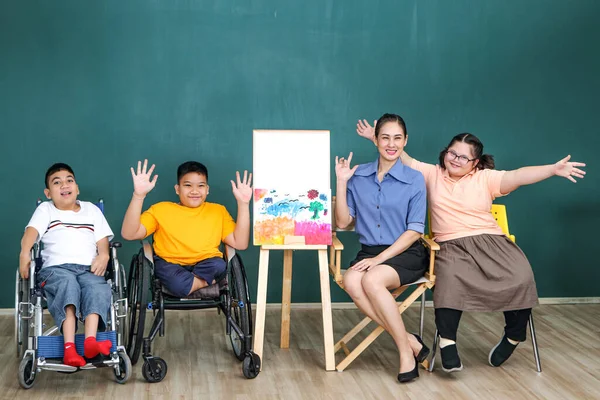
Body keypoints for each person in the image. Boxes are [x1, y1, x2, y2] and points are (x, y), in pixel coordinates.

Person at [357, 119, 586, 372]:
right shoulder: (432, 174)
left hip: (491, 240)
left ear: (475, 163)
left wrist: (552, 169)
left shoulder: (486, 178)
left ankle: (514, 335)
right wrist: (374, 138)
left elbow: (519, 175)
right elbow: (402, 157)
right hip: (450, 244)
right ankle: (447, 342)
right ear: (445, 153)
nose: (455, 159)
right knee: (450, 278)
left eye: (463, 158)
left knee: (522, 276)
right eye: (452, 153)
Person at [336, 113, 430, 383]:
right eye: (385, 137)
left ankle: (404, 353)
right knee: (352, 281)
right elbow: (343, 221)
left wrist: (380, 260)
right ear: (375, 140)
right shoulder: (358, 176)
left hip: (405, 252)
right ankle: (411, 340)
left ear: (405, 141)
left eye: (397, 138)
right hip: (369, 251)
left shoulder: (414, 180)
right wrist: (342, 182)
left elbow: (414, 231)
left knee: (373, 279)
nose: (391, 144)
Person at [19, 163, 115, 367]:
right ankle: (69, 348)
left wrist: (104, 255)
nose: (64, 185)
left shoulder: (91, 210)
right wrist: (24, 254)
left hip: (88, 268)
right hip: (56, 269)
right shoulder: (46, 210)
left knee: (97, 288)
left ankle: (90, 342)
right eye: (57, 182)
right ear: (48, 193)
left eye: (69, 180)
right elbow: (31, 234)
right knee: (68, 286)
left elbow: (102, 240)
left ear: (77, 188)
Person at [121, 160, 252, 299]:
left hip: (207, 263)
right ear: (177, 189)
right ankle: (205, 283)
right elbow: (129, 234)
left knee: (219, 265)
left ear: (207, 189)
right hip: (169, 265)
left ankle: (189, 284)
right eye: (188, 185)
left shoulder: (218, 211)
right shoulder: (160, 209)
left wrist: (243, 204)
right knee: (176, 281)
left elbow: (240, 243)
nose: (194, 191)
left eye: (200, 186)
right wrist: (138, 195)